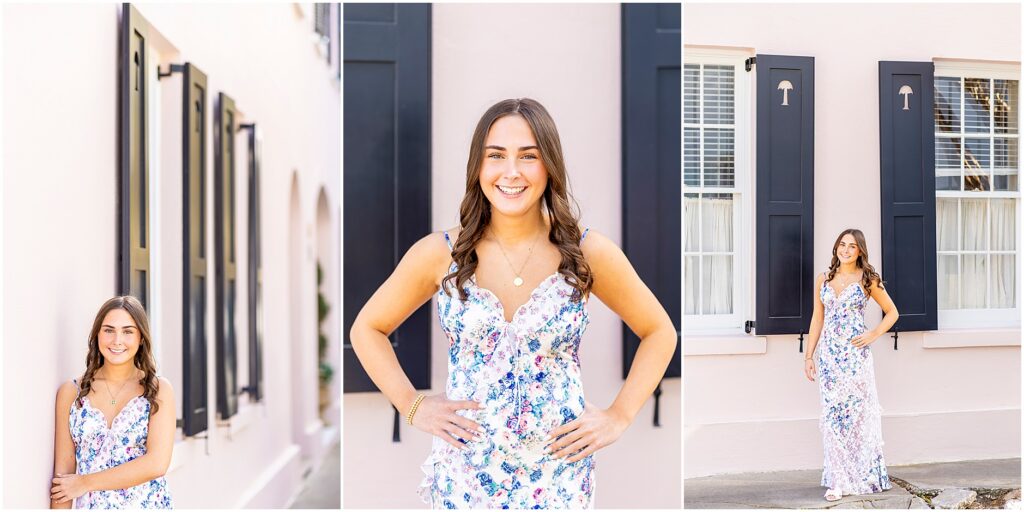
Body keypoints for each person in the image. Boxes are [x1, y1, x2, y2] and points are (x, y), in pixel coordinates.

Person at [349, 98, 677, 509]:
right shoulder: (440, 253)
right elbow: (367, 328)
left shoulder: (588, 252)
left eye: (528, 157)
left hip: (559, 478)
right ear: (479, 167)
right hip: (466, 479)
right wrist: (412, 406)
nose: (511, 172)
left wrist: (620, 415)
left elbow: (659, 331)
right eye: (496, 156)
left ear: (549, 166)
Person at [51, 296, 174, 508]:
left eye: (127, 331)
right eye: (108, 330)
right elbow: (63, 479)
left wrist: (84, 483)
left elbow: (156, 464)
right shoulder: (71, 393)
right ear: (97, 335)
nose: (117, 340)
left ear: (141, 338)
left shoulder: (158, 390)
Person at [804, 229, 899, 502]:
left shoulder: (868, 280)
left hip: (855, 359)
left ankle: (863, 475)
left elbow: (892, 312)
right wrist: (808, 356)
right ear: (836, 248)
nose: (846, 250)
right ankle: (837, 479)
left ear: (860, 252)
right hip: (829, 359)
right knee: (833, 418)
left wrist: (872, 334)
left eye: (852, 246)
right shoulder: (824, 279)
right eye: (842, 245)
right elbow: (817, 319)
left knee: (857, 418)